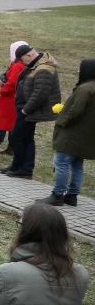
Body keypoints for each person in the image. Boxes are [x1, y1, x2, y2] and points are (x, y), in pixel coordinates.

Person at [2, 45, 61, 180]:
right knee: (26, 138)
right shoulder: (36, 65)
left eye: (22, 60)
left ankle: (24, 168)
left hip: (29, 110)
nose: (22, 63)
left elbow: (40, 94)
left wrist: (25, 109)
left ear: (29, 55)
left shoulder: (45, 69)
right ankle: (19, 167)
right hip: (25, 109)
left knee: (17, 137)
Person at [42, 58, 93, 206]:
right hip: (86, 136)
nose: (78, 71)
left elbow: (76, 110)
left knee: (61, 162)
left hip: (73, 134)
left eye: (81, 68)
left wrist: (63, 121)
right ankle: (72, 195)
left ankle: (58, 194)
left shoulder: (85, 88)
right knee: (77, 164)